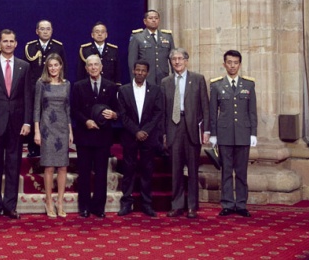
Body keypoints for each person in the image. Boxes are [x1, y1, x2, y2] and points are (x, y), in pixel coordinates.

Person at [0, 29, 32, 220]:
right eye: (5, 41)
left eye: (11, 41)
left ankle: (10, 205)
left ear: (16, 44)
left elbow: (27, 96)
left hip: (17, 124)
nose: (8, 44)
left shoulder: (24, 66)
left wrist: (27, 121)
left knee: (13, 164)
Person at [161, 48, 210, 219]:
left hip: (192, 128)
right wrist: (164, 133)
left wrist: (206, 131)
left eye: (180, 58)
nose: (177, 62)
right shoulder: (165, 82)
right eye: (173, 59)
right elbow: (163, 111)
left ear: (186, 60)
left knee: (193, 170)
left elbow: (205, 107)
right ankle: (177, 205)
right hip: (173, 127)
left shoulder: (197, 79)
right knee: (176, 170)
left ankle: (192, 206)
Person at [209, 50, 258, 217]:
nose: (232, 66)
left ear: (240, 64)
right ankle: (228, 203)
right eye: (229, 62)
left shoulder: (249, 85)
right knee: (227, 171)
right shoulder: (216, 85)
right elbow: (212, 112)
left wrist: (253, 133)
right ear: (224, 64)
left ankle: (242, 204)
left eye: (235, 62)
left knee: (242, 172)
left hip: (244, 134)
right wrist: (213, 134)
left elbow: (252, 112)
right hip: (224, 134)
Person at [71, 54, 118, 218]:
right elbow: (74, 110)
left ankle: (99, 207)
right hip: (84, 136)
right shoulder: (78, 86)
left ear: (101, 66)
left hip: (103, 137)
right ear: (86, 68)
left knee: (101, 173)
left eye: (96, 64)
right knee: (83, 173)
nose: (93, 67)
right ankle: (83, 207)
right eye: (89, 65)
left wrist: (113, 115)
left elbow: (118, 110)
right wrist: (86, 122)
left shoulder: (111, 86)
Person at [117, 60, 163, 217]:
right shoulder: (124, 90)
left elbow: (158, 113)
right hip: (130, 136)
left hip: (148, 137)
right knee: (128, 170)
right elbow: (122, 114)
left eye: (143, 70)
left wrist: (145, 131)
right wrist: (136, 131)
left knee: (147, 171)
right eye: (138, 70)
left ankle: (146, 204)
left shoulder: (156, 90)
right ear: (133, 71)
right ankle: (126, 203)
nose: (140, 73)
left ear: (147, 73)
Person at [33, 53, 72, 218]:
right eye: (51, 66)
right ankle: (49, 201)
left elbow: (68, 109)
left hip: (63, 128)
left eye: (56, 65)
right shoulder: (41, 83)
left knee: (62, 167)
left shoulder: (67, 84)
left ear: (61, 66)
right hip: (47, 128)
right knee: (49, 167)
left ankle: (60, 202)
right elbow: (36, 109)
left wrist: (70, 131)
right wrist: (37, 130)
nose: (53, 68)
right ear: (47, 68)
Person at [25, 20, 66, 158]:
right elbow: (26, 70)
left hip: (52, 88)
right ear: (37, 31)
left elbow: (62, 68)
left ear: (52, 31)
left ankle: (51, 145)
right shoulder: (30, 47)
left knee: (50, 116)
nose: (45, 31)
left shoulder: (58, 47)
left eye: (48, 29)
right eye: (42, 29)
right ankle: (33, 147)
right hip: (34, 88)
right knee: (35, 115)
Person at [128, 10, 175, 86]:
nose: (154, 20)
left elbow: (173, 59)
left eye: (156, 18)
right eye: (151, 18)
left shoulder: (167, 36)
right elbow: (132, 62)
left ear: (159, 20)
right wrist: (135, 81)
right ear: (145, 21)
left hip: (163, 78)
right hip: (145, 78)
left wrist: (175, 77)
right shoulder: (137, 37)